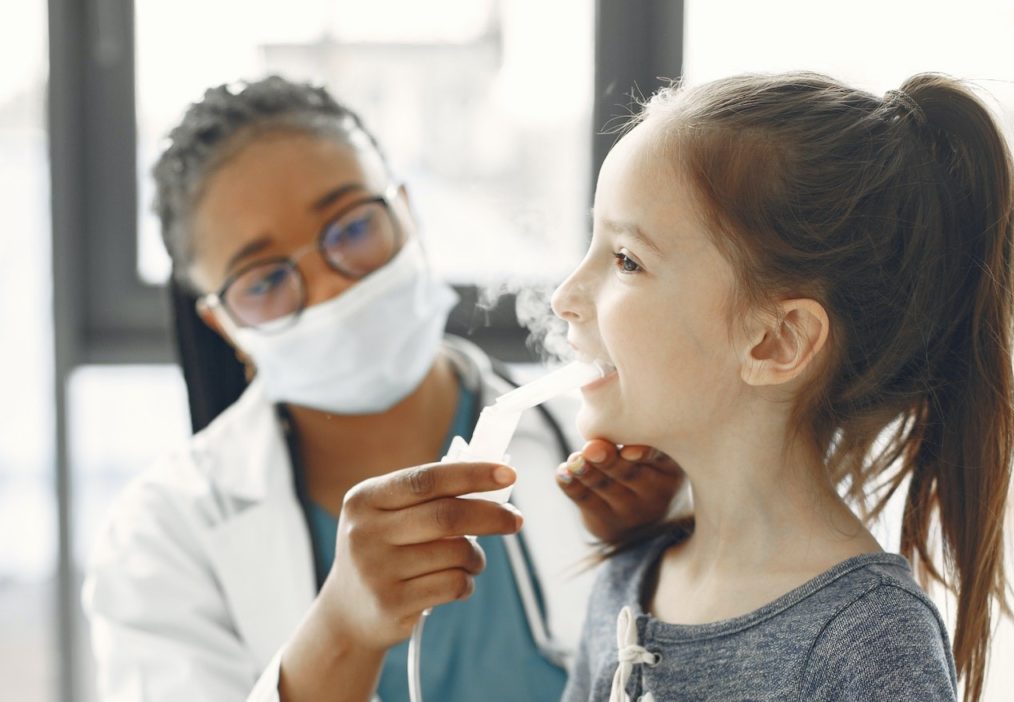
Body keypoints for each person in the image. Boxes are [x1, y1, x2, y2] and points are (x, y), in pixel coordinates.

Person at [81, 76, 685, 702]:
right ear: (224, 324)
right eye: (264, 281)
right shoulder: (163, 535)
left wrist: (654, 551)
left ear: (407, 213)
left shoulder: (618, 456)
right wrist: (341, 631)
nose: (330, 289)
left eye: (351, 229)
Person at [553, 72, 1014, 702]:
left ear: (776, 342)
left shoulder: (869, 644)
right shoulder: (628, 582)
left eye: (626, 260)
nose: (564, 298)